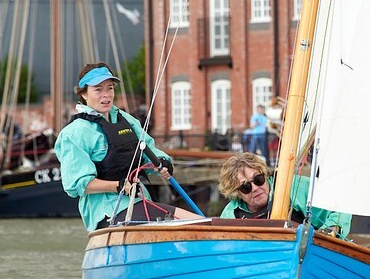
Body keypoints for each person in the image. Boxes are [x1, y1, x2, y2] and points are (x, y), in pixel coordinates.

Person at [54, 62, 201, 231]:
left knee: (197, 221)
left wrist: (162, 161)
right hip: (107, 212)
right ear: (84, 94)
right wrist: (118, 185)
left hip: (141, 201)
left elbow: (149, 149)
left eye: (110, 88)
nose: (106, 95)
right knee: (191, 224)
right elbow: (77, 185)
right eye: (98, 89)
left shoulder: (126, 119)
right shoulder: (73, 134)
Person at [218, 152, 351, 238]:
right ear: (236, 193)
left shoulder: (293, 187)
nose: (255, 188)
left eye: (258, 179)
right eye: (245, 187)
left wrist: (331, 229)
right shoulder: (230, 214)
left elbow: (339, 200)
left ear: (265, 174)